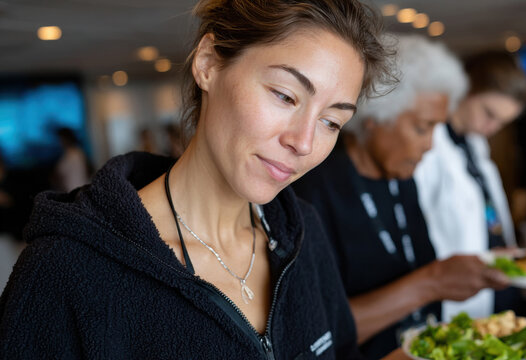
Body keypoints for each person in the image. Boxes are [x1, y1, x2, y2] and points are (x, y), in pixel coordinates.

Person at [0, 1, 403, 358]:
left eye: (332, 121)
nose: (303, 142)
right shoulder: (65, 270)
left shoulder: (302, 232)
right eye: (284, 95)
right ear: (208, 63)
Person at [293, 35, 509, 359]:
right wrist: (431, 283)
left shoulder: (401, 179)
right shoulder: (315, 191)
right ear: (375, 117)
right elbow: (317, 334)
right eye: (422, 128)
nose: (431, 145)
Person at [414, 50, 526, 321]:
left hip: (495, 283)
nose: (492, 127)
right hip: (457, 296)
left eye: (502, 122)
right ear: (464, 89)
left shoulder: (474, 143)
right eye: (489, 113)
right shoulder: (429, 148)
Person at [52, 127, 91, 192]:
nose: (59, 142)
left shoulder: (72, 155)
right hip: (78, 191)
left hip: (74, 192)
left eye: (60, 139)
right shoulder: (78, 152)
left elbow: (59, 175)